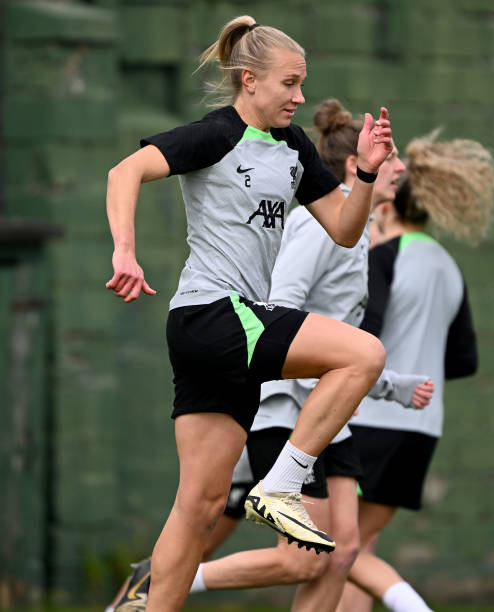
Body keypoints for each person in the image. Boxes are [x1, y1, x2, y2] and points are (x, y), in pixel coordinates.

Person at [105, 15, 393, 611]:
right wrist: (125, 252)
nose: (300, 96)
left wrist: (364, 173)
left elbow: (343, 229)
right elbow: (124, 171)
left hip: (217, 333)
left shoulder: (293, 149)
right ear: (249, 80)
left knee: (201, 506)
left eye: (303, 82)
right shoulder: (216, 134)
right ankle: (283, 484)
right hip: (215, 313)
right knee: (363, 354)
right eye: (290, 83)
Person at [337, 131, 494, 612]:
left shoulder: (383, 257)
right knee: (356, 548)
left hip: (369, 421)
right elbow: (465, 361)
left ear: (385, 210)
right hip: (420, 430)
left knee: (332, 543)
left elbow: (362, 336)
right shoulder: (449, 267)